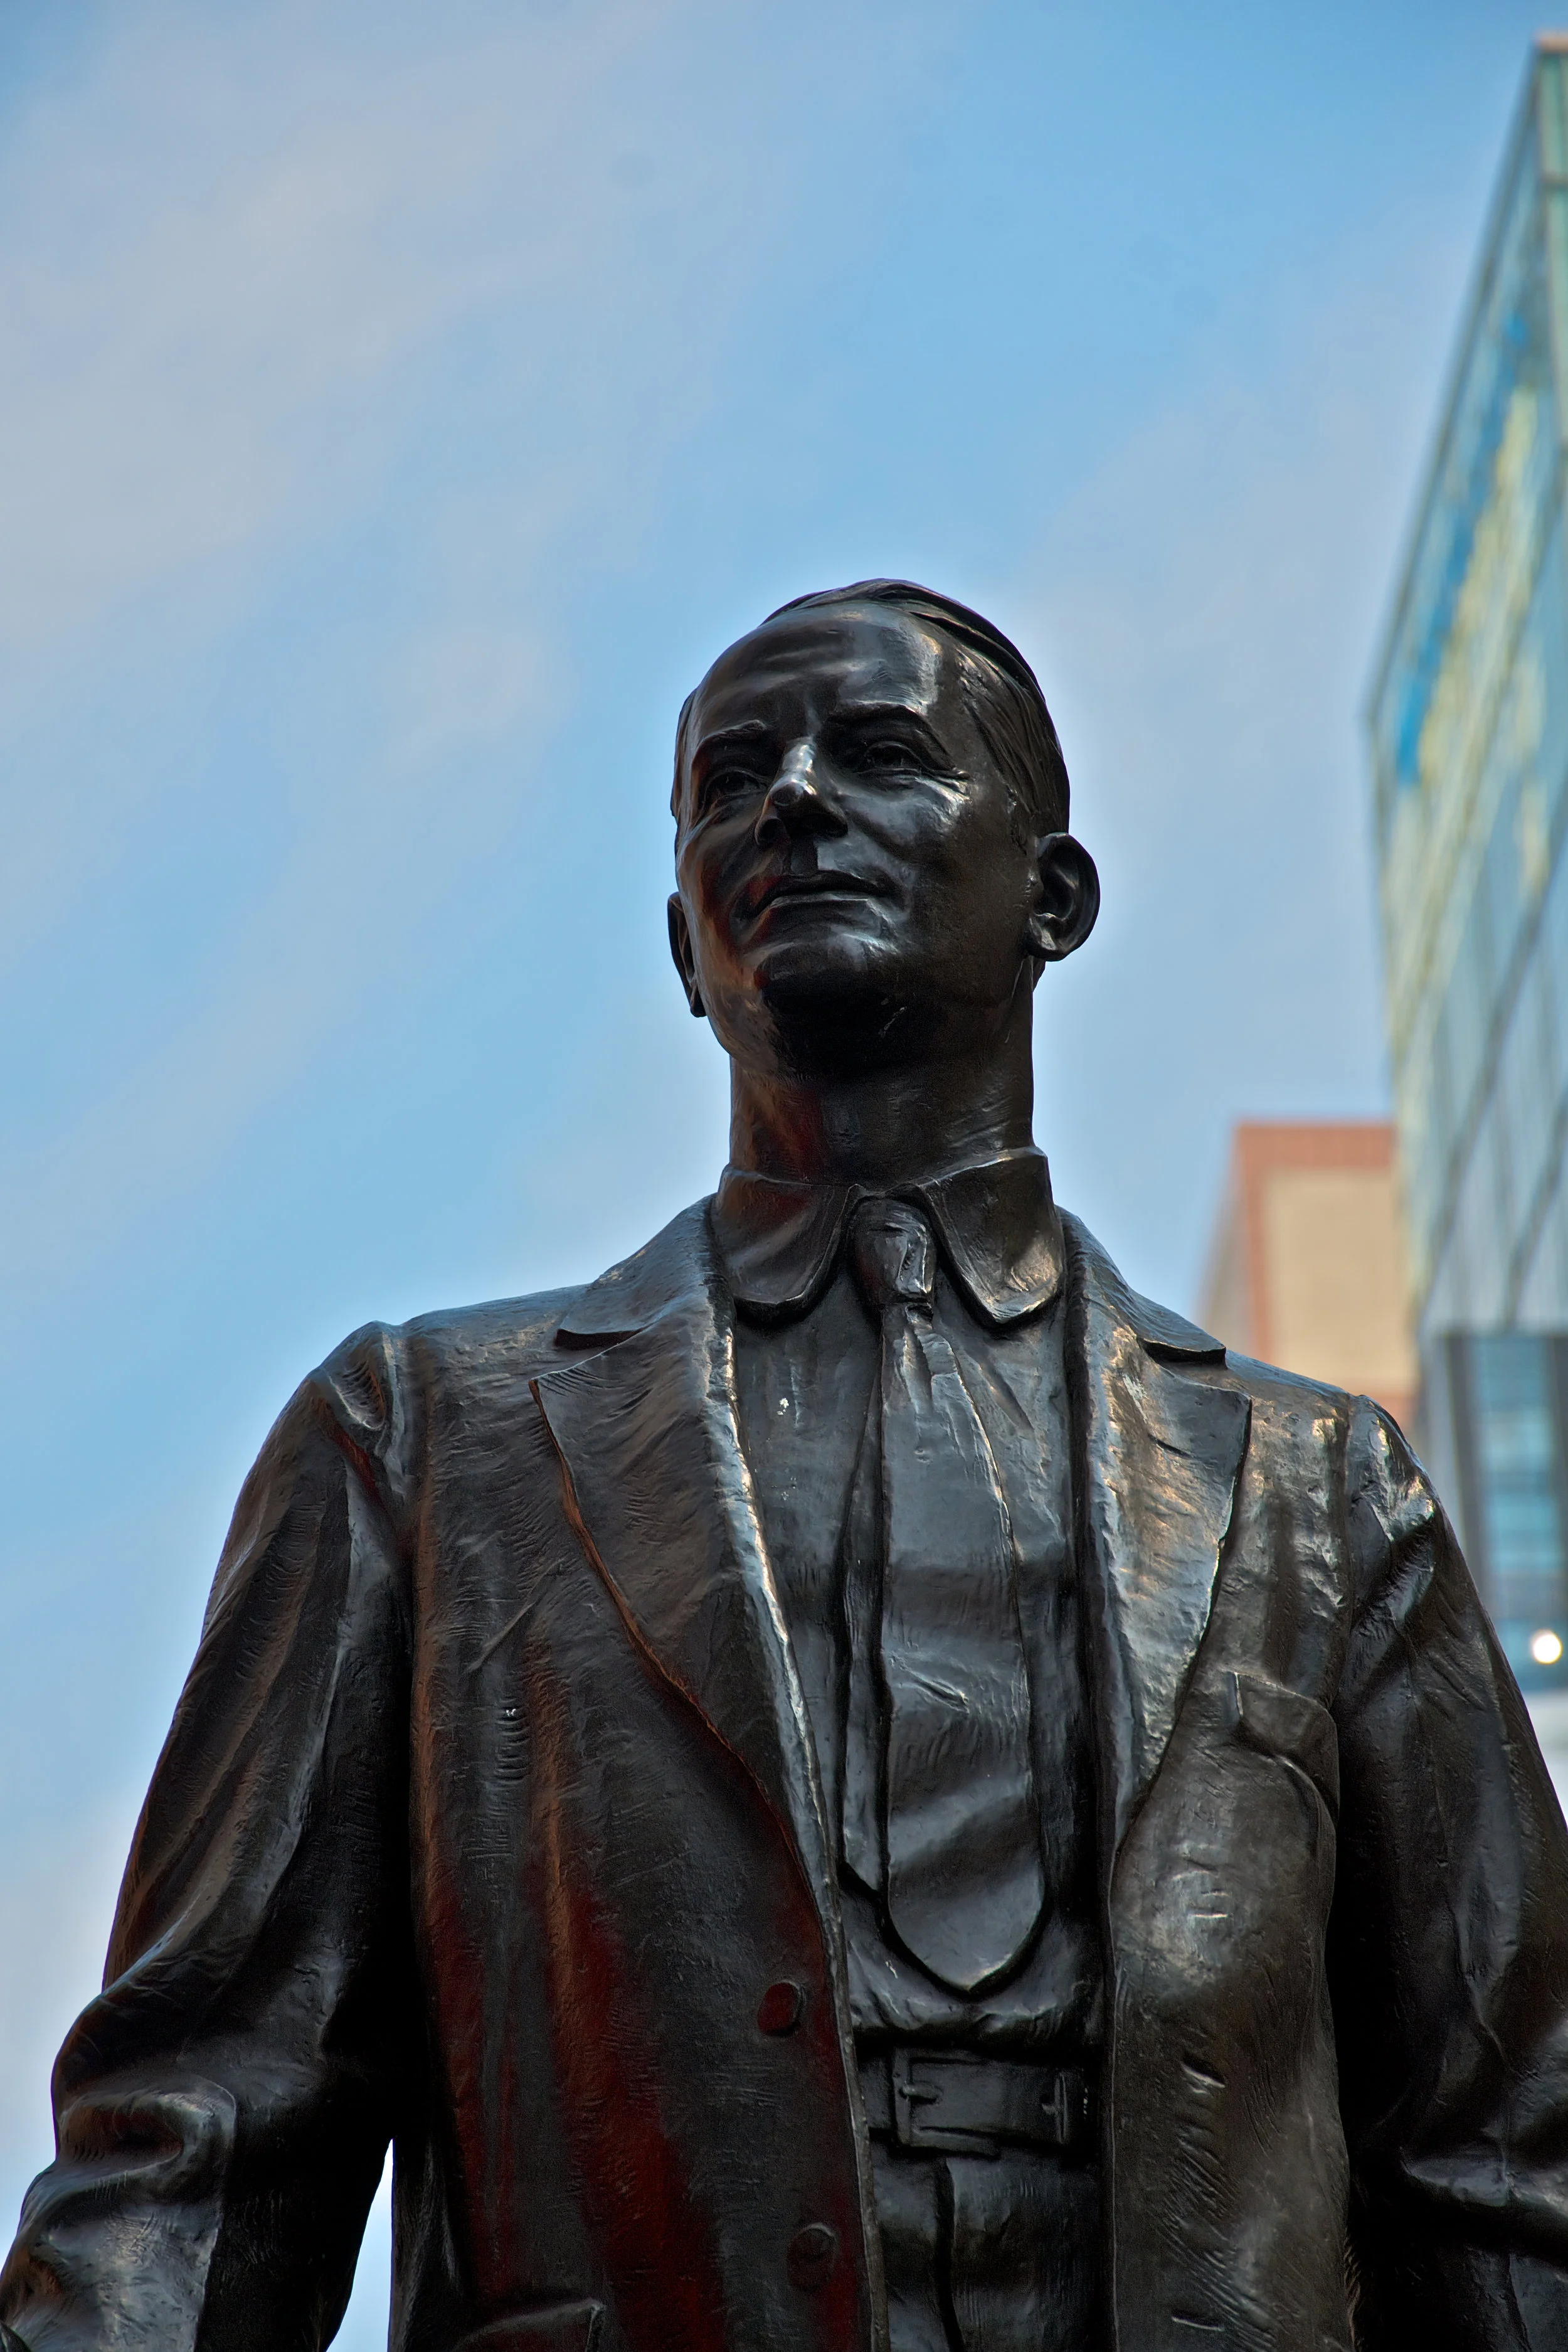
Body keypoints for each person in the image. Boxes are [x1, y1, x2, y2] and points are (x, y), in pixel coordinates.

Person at [5, 581, 1568, 2352]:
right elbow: (204, 2141)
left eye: (881, 753)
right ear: (686, 947)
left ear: (1054, 898)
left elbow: (1504, 2170)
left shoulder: (1316, 1490)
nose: (795, 800)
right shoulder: (419, 1443)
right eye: (732, 780)